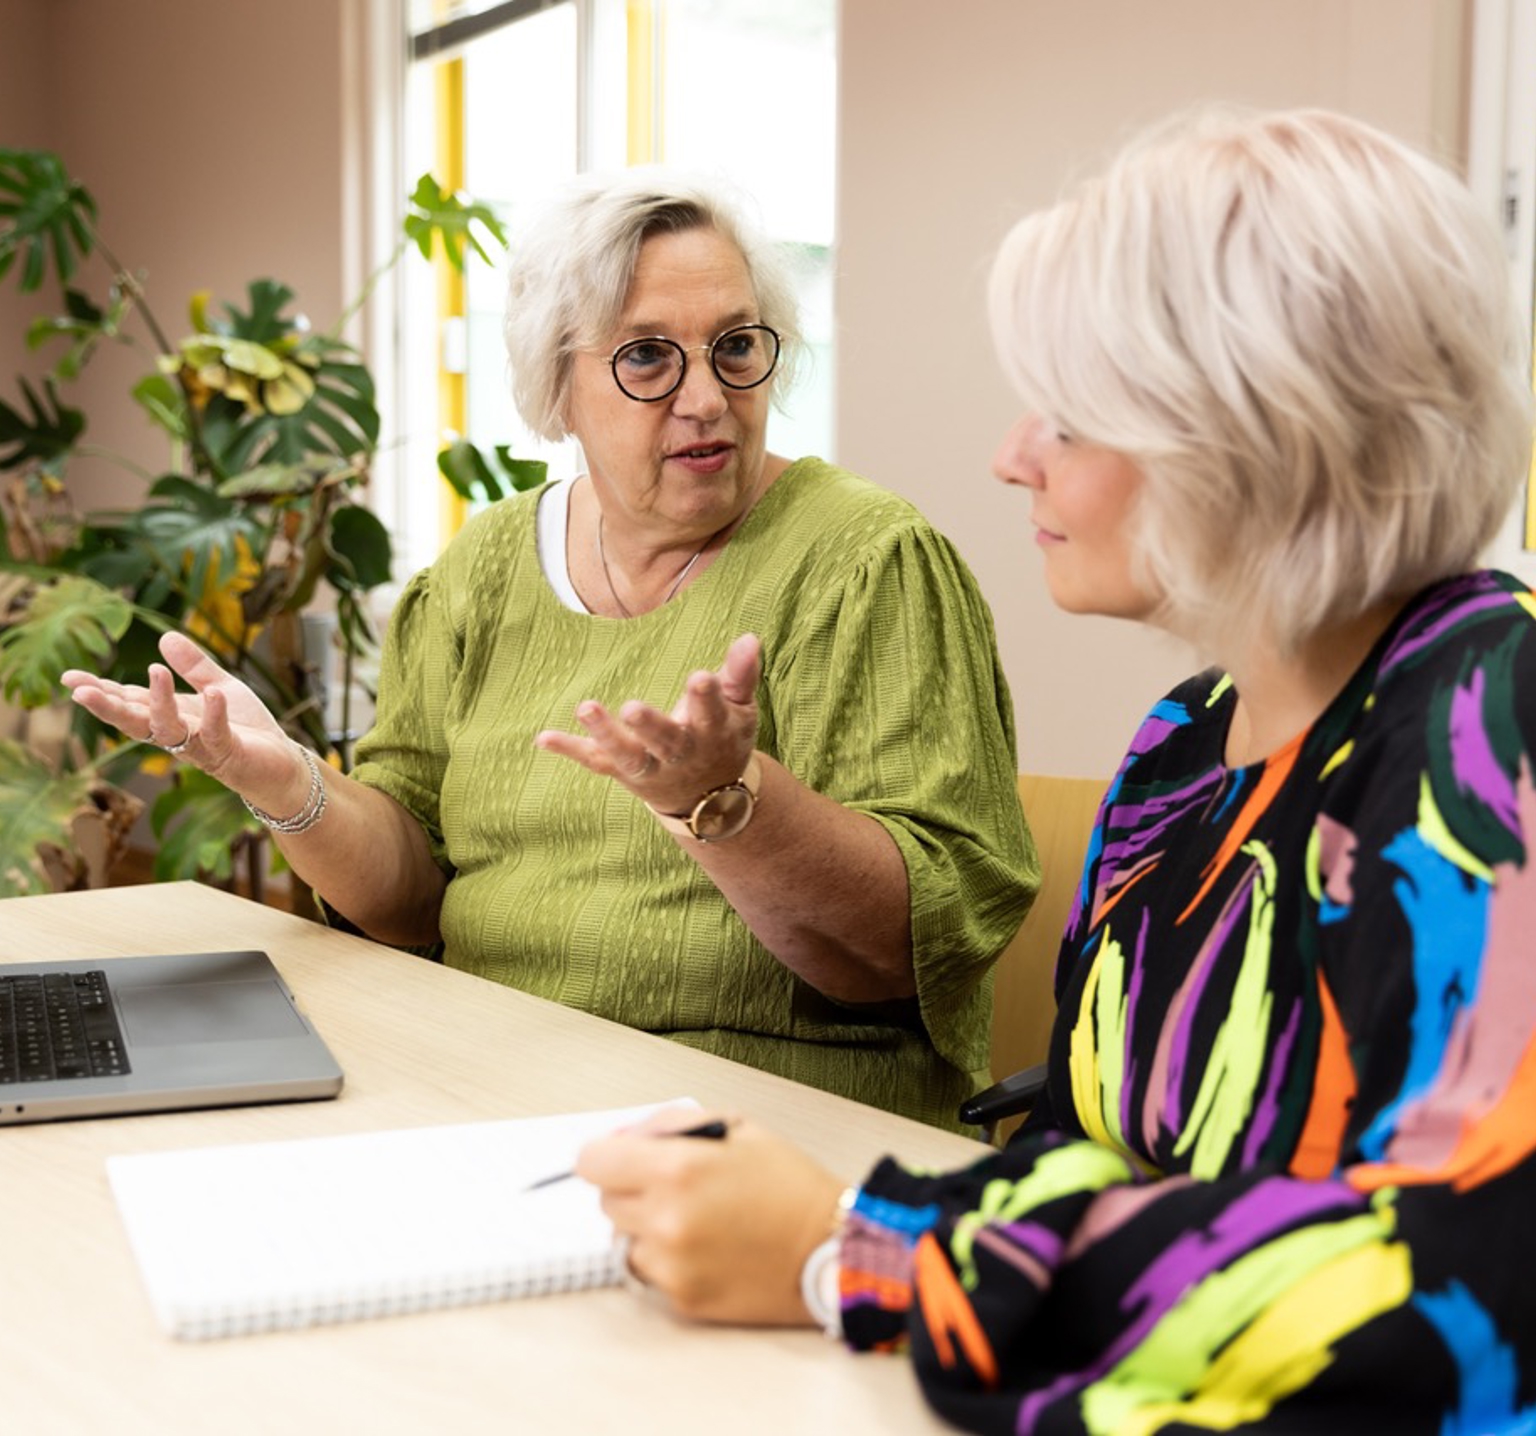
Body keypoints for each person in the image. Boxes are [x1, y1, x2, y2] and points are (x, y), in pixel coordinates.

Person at [574, 107, 1536, 1432]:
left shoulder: (1497, 720)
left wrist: (862, 1250)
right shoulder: (1180, 749)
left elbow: (1463, 1285)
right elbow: (1093, 1159)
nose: (1011, 456)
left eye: (1075, 415)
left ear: (1260, 426)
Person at [62, 167, 1036, 1133]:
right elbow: (410, 903)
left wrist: (724, 804)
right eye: (649, 357)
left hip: (767, 1123)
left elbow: (911, 949)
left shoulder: (868, 559)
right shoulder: (480, 569)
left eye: (737, 346)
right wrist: (286, 785)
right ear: (554, 384)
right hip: (488, 1090)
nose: (706, 395)